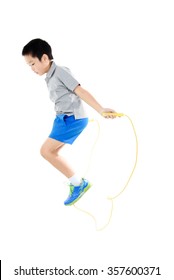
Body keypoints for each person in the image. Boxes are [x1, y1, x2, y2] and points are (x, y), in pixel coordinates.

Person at [22, 38, 117, 206]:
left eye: (32, 64)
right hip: (62, 119)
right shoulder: (50, 76)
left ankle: (79, 184)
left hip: (72, 119)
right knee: (51, 153)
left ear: (44, 58)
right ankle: (77, 182)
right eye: (29, 65)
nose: (31, 69)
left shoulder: (60, 72)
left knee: (45, 151)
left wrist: (101, 109)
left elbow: (80, 91)